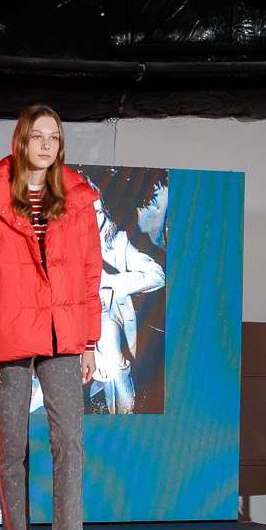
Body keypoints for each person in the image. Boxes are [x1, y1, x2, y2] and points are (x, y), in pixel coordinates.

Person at [0, 105, 104, 530]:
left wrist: (89, 340)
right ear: (21, 141)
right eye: (38, 136)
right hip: (9, 337)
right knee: (13, 446)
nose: (46, 145)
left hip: (64, 336)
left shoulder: (78, 199)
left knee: (70, 442)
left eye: (54, 137)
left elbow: (90, 274)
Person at [92, 178, 167, 416]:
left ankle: (124, 418)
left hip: (106, 318)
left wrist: (110, 281)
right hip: (68, 327)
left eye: (97, 211)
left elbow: (157, 276)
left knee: (112, 360)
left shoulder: (118, 243)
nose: (92, 220)